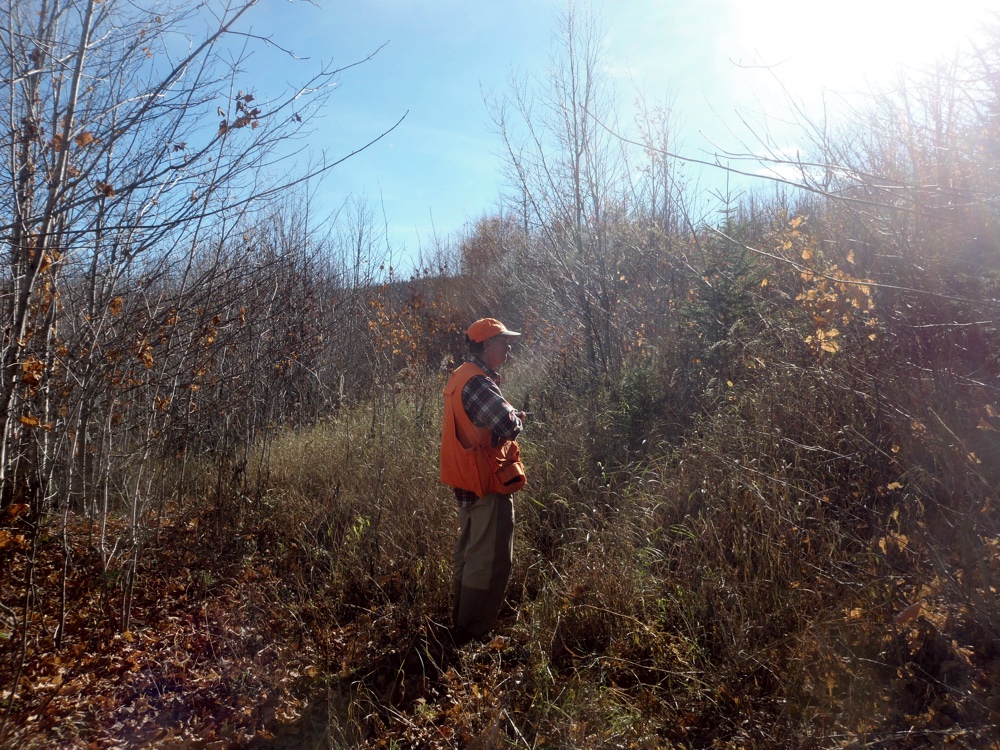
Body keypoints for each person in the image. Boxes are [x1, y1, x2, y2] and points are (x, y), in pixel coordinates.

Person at [440, 318, 527, 645]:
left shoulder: (460, 376)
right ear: (487, 344)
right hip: (485, 482)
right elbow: (505, 424)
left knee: (469, 553)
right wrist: (518, 417)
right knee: (488, 559)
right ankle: (473, 634)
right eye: (503, 341)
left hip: (466, 480)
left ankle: (462, 624)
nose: (508, 347)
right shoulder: (478, 382)